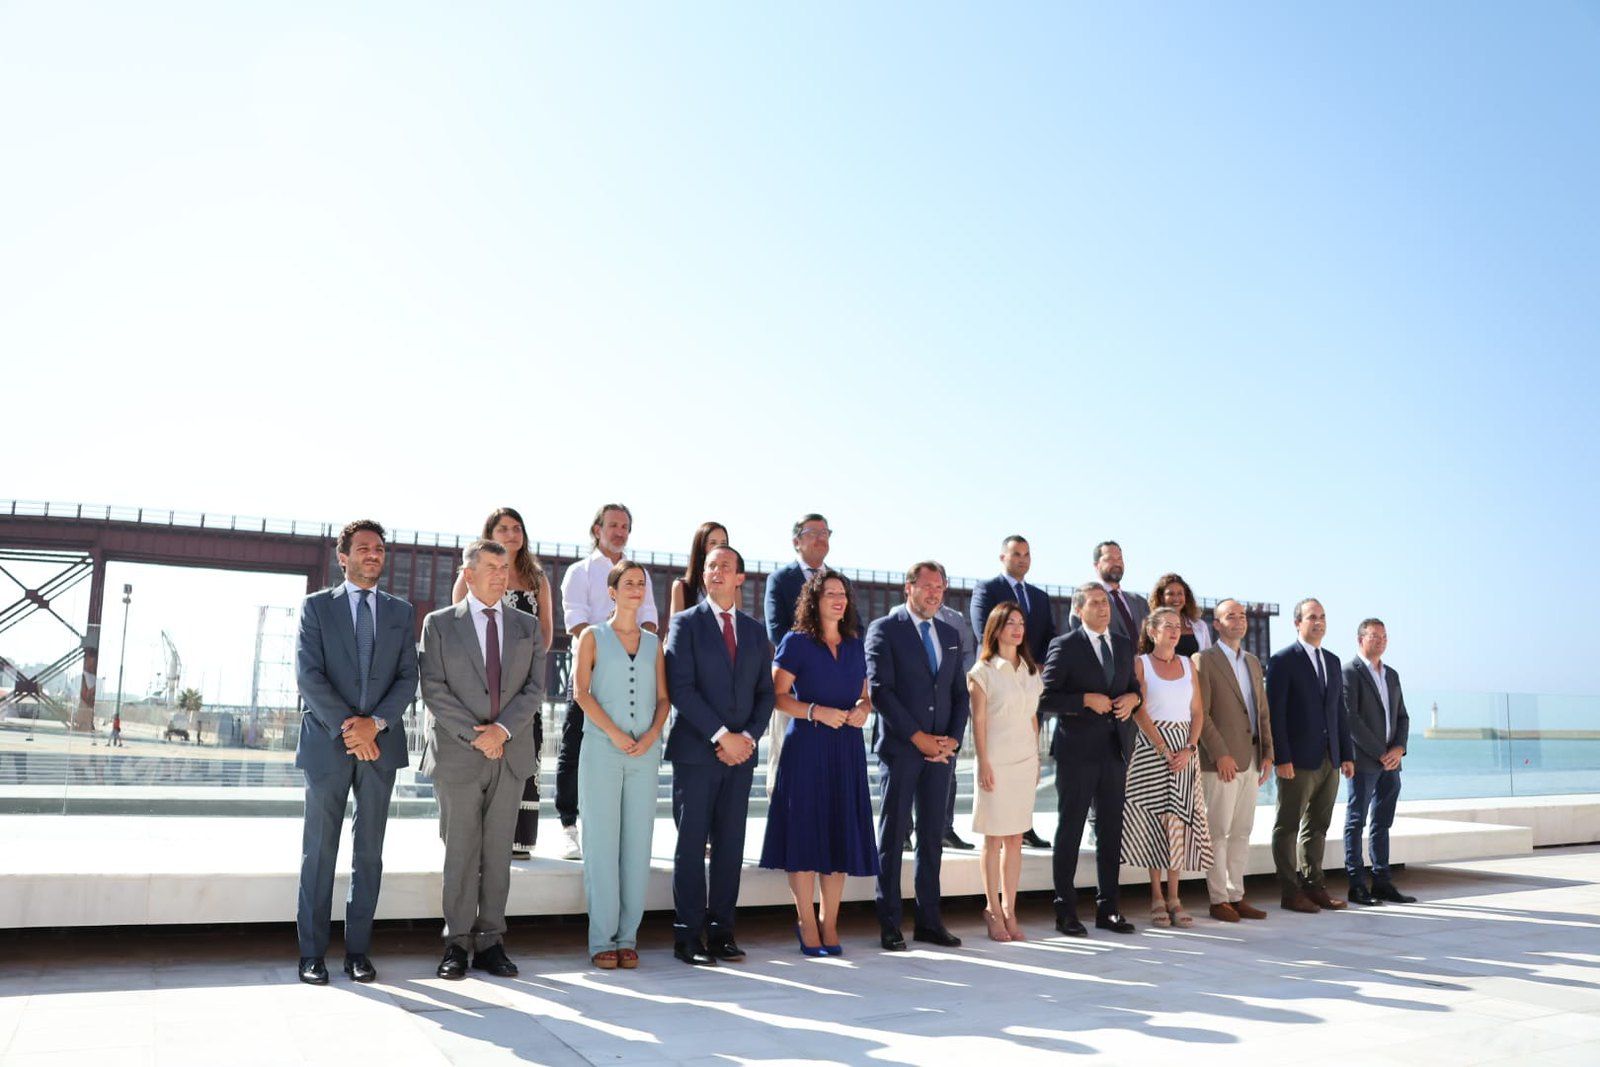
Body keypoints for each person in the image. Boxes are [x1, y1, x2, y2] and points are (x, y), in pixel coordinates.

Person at [292, 520, 418, 986]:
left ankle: (358, 952)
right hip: (328, 744)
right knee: (319, 852)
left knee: (369, 853)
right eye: (363, 548)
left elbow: (408, 678)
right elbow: (308, 675)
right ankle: (311, 954)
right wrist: (351, 728)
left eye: (380, 548)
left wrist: (375, 725)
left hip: (380, 746)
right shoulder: (316, 608)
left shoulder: (401, 613)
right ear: (343, 557)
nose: (373, 554)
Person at [419, 540, 546, 980]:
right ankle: (456, 943)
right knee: (460, 853)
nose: (500, 573)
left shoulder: (527, 627)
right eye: (490, 566)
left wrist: (502, 732)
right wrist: (479, 736)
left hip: (509, 754)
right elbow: (434, 689)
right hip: (458, 755)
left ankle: (492, 941)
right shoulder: (438, 625)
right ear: (468, 575)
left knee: (497, 854)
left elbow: (534, 689)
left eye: (504, 566)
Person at [664, 546, 775, 965]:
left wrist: (745, 736)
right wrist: (720, 735)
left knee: (730, 846)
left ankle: (722, 931)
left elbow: (765, 693)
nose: (716, 572)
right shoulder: (685, 624)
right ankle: (687, 936)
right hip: (697, 752)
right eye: (711, 566)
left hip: (741, 755)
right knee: (691, 846)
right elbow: (681, 688)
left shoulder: (752, 630)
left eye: (725, 567)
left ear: (739, 578)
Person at [759, 571, 877, 957]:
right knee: (807, 834)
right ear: (814, 599)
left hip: (846, 748)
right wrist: (814, 711)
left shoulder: (856, 644)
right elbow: (777, 696)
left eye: (842, 594)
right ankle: (806, 921)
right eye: (830, 594)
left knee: (840, 832)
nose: (838, 600)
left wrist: (863, 710)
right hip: (807, 747)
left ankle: (830, 922)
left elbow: (865, 696)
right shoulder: (796, 642)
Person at [571, 560, 669, 970]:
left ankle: (628, 936)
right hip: (601, 752)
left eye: (641, 584)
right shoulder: (592, 636)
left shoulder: (653, 644)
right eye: (628, 583)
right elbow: (580, 693)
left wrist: (649, 737)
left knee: (636, 846)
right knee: (601, 845)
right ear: (611, 591)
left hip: (645, 755)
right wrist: (613, 733)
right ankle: (601, 940)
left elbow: (664, 699)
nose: (636, 589)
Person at [866, 561, 970, 951]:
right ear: (908, 587)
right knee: (893, 837)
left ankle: (929, 921)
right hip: (901, 752)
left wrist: (952, 741)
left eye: (939, 588)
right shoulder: (885, 630)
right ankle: (889, 922)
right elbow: (881, 692)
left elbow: (959, 693)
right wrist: (918, 738)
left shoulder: (949, 632)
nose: (933, 594)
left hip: (941, 754)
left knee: (931, 838)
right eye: (926, 587)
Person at [557, 503, 659, 861]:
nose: (619, 532)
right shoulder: (579, 572)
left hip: (631, 678)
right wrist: (608, 656)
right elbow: (577, 624)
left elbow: (648, 623)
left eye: (625, 527)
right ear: (597, 528)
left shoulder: (638, 574)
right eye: (613, 525)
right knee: (573, 749)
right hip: (589, 677)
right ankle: (569, 826)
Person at [452, 507, 552, 860]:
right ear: (489, 534)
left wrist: (523, 668)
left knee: (523, 753)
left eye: (517, 528)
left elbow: (546, 634)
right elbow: (458, 630)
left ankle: (518, 840)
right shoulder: (469, 577)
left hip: (522, 683)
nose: (511, 534)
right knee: (483, 750)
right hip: (482, 682)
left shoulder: (537, 579)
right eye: (503, 528)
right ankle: (477, 837)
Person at [1041, 583, 1141, 937]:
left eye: (1106, 603)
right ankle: (1065, 910)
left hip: (1114, 751)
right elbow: (1046, 698)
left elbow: (1134, 688)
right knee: (1070, 830)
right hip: (1076, 753)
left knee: (1112, 831)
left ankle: (1108, 909)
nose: (1103, 609)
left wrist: (1133, 699)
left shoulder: (1125, 645)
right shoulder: (1064, 646)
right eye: (1096, 603)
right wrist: (1083, 699)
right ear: (1079, 609)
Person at [1123, 608, 1213, 928]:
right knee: (1155, 822)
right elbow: (1138, 709)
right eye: (1168, 626)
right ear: (1152, 631)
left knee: (1179, 822)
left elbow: (1198, 712)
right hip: (1152, 747)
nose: (1175, 632)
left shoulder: (1189, 664)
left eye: (1178, 627)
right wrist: (1163, 747)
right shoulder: (1141, 663)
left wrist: (1189, 748)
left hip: (1185, 752)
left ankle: (1175, 896)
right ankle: (1157, 897)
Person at [1267, 598, 1355, 914]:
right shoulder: (1282, 661)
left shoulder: (1332, 660)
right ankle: (1290, 892)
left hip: (1329, 759)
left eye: (1322, 617)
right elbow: (1275, 715)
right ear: (1297, 623)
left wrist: (1345, 753)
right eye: (1311, 617)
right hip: (1297, 760)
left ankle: (1314, 886)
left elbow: (1338, 713)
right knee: (1287, 826)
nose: (1318, 622)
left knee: (1318, 825)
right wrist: (1281, 758)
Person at [969, 535, 1056, 850]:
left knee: (1027, 753)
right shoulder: (987, 589)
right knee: (1000, 759)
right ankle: (998, 830)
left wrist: (1038, 667)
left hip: (1030, 682)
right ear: (1002, 557)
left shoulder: (1039, 596)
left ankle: (1024, 825)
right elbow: (983, 629)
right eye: (1016, 553)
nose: (1023, 559)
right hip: (1000, 681)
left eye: (1027, 554)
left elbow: (1050, 636)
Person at [1194, 598, 1274, 922]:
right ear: (1217, 623)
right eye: (1231, 616)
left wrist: (1268, 752)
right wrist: (1220, 753)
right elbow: (1201, 713)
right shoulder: (1204, 660)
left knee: (1243, 831)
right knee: (1218, 832)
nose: (1239, 621)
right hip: (1221, 762)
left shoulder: (1253, 662)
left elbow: (1262, 711)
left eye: (1242, 616)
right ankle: (1218, 899)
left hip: (1252, 760)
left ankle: (1237, 894)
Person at [967, 601, 1043, 941]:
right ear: (995, 630)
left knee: (1015, 838)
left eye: (1020, 622)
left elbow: (1032, 717)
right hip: (995, 760)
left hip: (1024, 760)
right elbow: (978, 723)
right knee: (993, 837)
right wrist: (983, 762)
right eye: (1009, 622)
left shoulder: (1031, 670)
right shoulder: (982, 672)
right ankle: (992, 908)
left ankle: (1011, 909)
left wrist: (1038, 758)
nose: (1017, 628)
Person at [1343, 618, 1416, 905]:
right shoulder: (1350, 672)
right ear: (1360, 639)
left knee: (1382, 822)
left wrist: (1398, 749)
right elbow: (1350, 719)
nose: (1381, 641)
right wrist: (1380, 753)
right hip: (1364, 762)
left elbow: (1402, 717)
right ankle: (1356, 884)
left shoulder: (1392, 675)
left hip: (1391, 763)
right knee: (1356, 820)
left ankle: (1382, 881)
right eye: (1374, 636)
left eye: (1384, 636)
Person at [934, 564, 977, 851]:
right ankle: (905, 835)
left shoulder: (956, 619)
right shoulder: (897, 617)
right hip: (915, 706)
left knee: (948, 771)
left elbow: (967, 655)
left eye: (938, 584)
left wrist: (954, 684)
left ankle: (945, 829)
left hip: (949, 704)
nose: (933, 590)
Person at [1071, 541, 1148, 644]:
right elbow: (1080, 638)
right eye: (1109, 559)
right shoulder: (1085, 598)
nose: (1116, 563)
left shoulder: (1140, 602)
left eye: (1119, 558)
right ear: (1096, 565)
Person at [668, 521, 729, 619]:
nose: (719, 548)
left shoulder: (733, 588)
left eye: (723, 543)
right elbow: (676, 630)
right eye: (713, 543)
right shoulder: (681, 587)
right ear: (701, 547)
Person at [1150, 573, 1213, 656]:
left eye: (1180, 594)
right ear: (1161, 597)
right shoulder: (1152, 625)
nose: (1176, 598)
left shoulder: (1200, 626)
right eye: (1170, 594)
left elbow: (1207, 658)